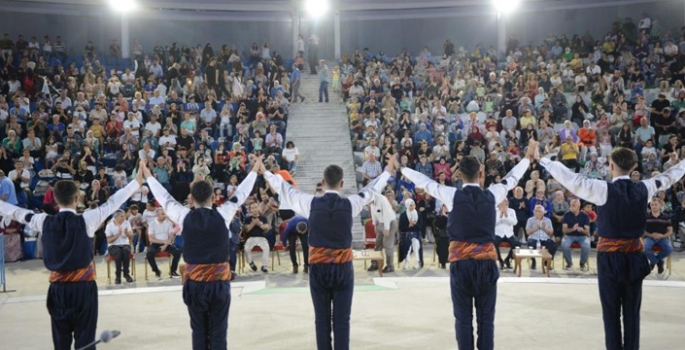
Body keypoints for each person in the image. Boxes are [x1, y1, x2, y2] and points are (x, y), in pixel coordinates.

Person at [538, 147, 685, 350]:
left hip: (609, 259)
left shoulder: (602, 189)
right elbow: (670, 176)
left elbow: (571, 179)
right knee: (632, 314)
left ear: (611, 165)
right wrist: (681, 163)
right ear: (634, 166)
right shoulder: (646, 187)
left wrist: (544, 160)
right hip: (634, 257)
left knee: (611, 314)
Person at [400, 141, 537, 350]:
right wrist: (527, 157)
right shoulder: (493, 194)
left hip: (462, 265)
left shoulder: (452, 195)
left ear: (459, 175)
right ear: (481, 174)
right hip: (486, 265)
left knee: (463, 320)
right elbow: (512, 178)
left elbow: (425, 182)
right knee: (486, 321)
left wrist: (400, 168)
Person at [261, 156, 393, 350]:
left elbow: (284, 188)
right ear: (342, 183)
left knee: (321, 320)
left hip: (319, 268)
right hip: (342, 269)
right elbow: (371, 189)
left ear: (322, 183)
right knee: (342, 321)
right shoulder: (351, 204)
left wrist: (264, 172)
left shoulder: (310, 203)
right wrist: (388, 171)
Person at [0, 174, 142, 350]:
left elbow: (14, 211)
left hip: (58, 289)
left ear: (56, 199)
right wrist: (137, 182)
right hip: (84, 289)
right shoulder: (88, 219)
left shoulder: (42, 220)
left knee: (61, 341)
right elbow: (113, 202)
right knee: (86, 339)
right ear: (77, 198)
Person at [141, 158, 258, 350]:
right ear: (213, 199)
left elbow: (165, 198)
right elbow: (242, 193)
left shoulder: (184, 215)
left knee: (199, 332)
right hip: (219, 283)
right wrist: (254, 170)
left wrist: (147, 175)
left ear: (191, 199)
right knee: (219, 332)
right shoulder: (223, 213)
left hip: (194, 284)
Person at [367, 191, 397, 273]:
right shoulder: (371, 201)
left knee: (387, 245)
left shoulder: (382, 199)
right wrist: (375, 224)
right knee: (378, 243)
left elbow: (386, 215)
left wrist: (387, 229)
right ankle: (375, 263)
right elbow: (373, 213)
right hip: (380, 222)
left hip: (390, 222)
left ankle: (390, 266)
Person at [644, 197, 673, 274]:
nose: (654, 206)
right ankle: (659, 262)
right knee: (645, 248)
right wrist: (651, 234)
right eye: (652, 205)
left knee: (669, 249)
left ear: (660, 205)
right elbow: (642, 230)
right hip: (649, 237)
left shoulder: (666, 217)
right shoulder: (646, 216)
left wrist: (662, 236)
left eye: (656, 204)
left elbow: (670, 230)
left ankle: (653, 262)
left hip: (662, 238)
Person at [105, 209, 134, 284]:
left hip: (125, 244)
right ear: (116, 217)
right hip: (113, 245)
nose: (124, 217)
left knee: (126, 252)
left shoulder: (127, 223)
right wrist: (118, 235)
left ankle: (126, 274)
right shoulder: (109, 226)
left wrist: (127, 233)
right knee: (118, 254)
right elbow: (109, 240)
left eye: (124, 216)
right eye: (122, 216)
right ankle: (118, 276)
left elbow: (131, 236)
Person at [561, 199, 591, 270]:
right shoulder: (566, 215)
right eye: (570, 205)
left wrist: (582, 230)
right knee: (564, 245)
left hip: (582, 236)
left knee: (586, 246)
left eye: (573, 205)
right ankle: (569, 264)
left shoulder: (585, 216)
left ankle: (582, 264)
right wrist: (573, 229)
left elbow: (587, 232)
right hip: (569, 236)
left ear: (578, 206)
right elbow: (564, 230)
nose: (571, 207)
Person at [494, 198, 520, 269]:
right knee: (493, 243)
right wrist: (500, 215)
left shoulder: (511, 211)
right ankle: (500, 261)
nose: (503, 205)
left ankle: (508, 259)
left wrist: (506, 215)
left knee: (517, 244)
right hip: (498, 234)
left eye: (505, 203)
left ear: (507, 203)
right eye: (501, 203)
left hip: (509, 234)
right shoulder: (495, 211)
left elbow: (515, 222)